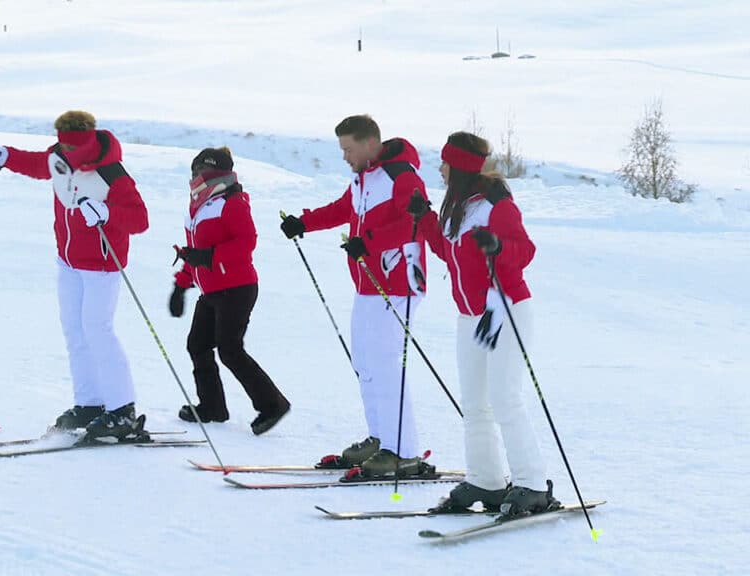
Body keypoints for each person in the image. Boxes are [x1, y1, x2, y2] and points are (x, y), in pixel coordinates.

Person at [407, 131, 557, 515]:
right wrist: (424, 217)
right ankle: (486, 480)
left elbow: (525, 251)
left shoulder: (496, 205)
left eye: (444, 162)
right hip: (472, 316)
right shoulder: (459, 205)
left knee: (505, 397)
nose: (439, 168)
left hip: (505, 308)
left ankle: (532, 484)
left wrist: (499, 246)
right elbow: (447, 250)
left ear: (458, 166)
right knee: (474, 403)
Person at [0, 110, 149, 439]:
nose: (65, 153)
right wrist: (5, 157)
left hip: (102, 264)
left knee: (98, 330)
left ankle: (123, 410)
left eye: (72, 149)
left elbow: (140, 220)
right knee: (75, 331)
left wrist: (106, 212)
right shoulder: (59, 156)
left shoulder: (112, 173)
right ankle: (90, 403)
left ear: (87, 143)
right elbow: (39, 165)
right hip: (68, 261)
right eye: (62, 146)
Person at [280, 115, 430, 478]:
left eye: (348, 149)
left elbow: (417, 222)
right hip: (367, 283)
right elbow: (343, 209)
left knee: (384, 362)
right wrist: (304, 222)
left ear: (369, 144)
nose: (345, 156)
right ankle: (381, 439)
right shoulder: (364, 177)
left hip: (397, 282)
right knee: (365, 361)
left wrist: (372, 242)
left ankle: (404, 451)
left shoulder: (402, 176)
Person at [169, 147, 291, 436]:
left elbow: (246, 242)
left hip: (237, 288)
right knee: (197, 345)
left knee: (230, 350)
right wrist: (182, 285)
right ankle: (212, 407)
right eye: (194, 170)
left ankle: (273, 404)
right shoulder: (198, 207)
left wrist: (209, 257)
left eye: (201, 170)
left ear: (215, 173)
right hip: (212, 290)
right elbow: (194, 253)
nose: (196, 176)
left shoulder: (231, 202)